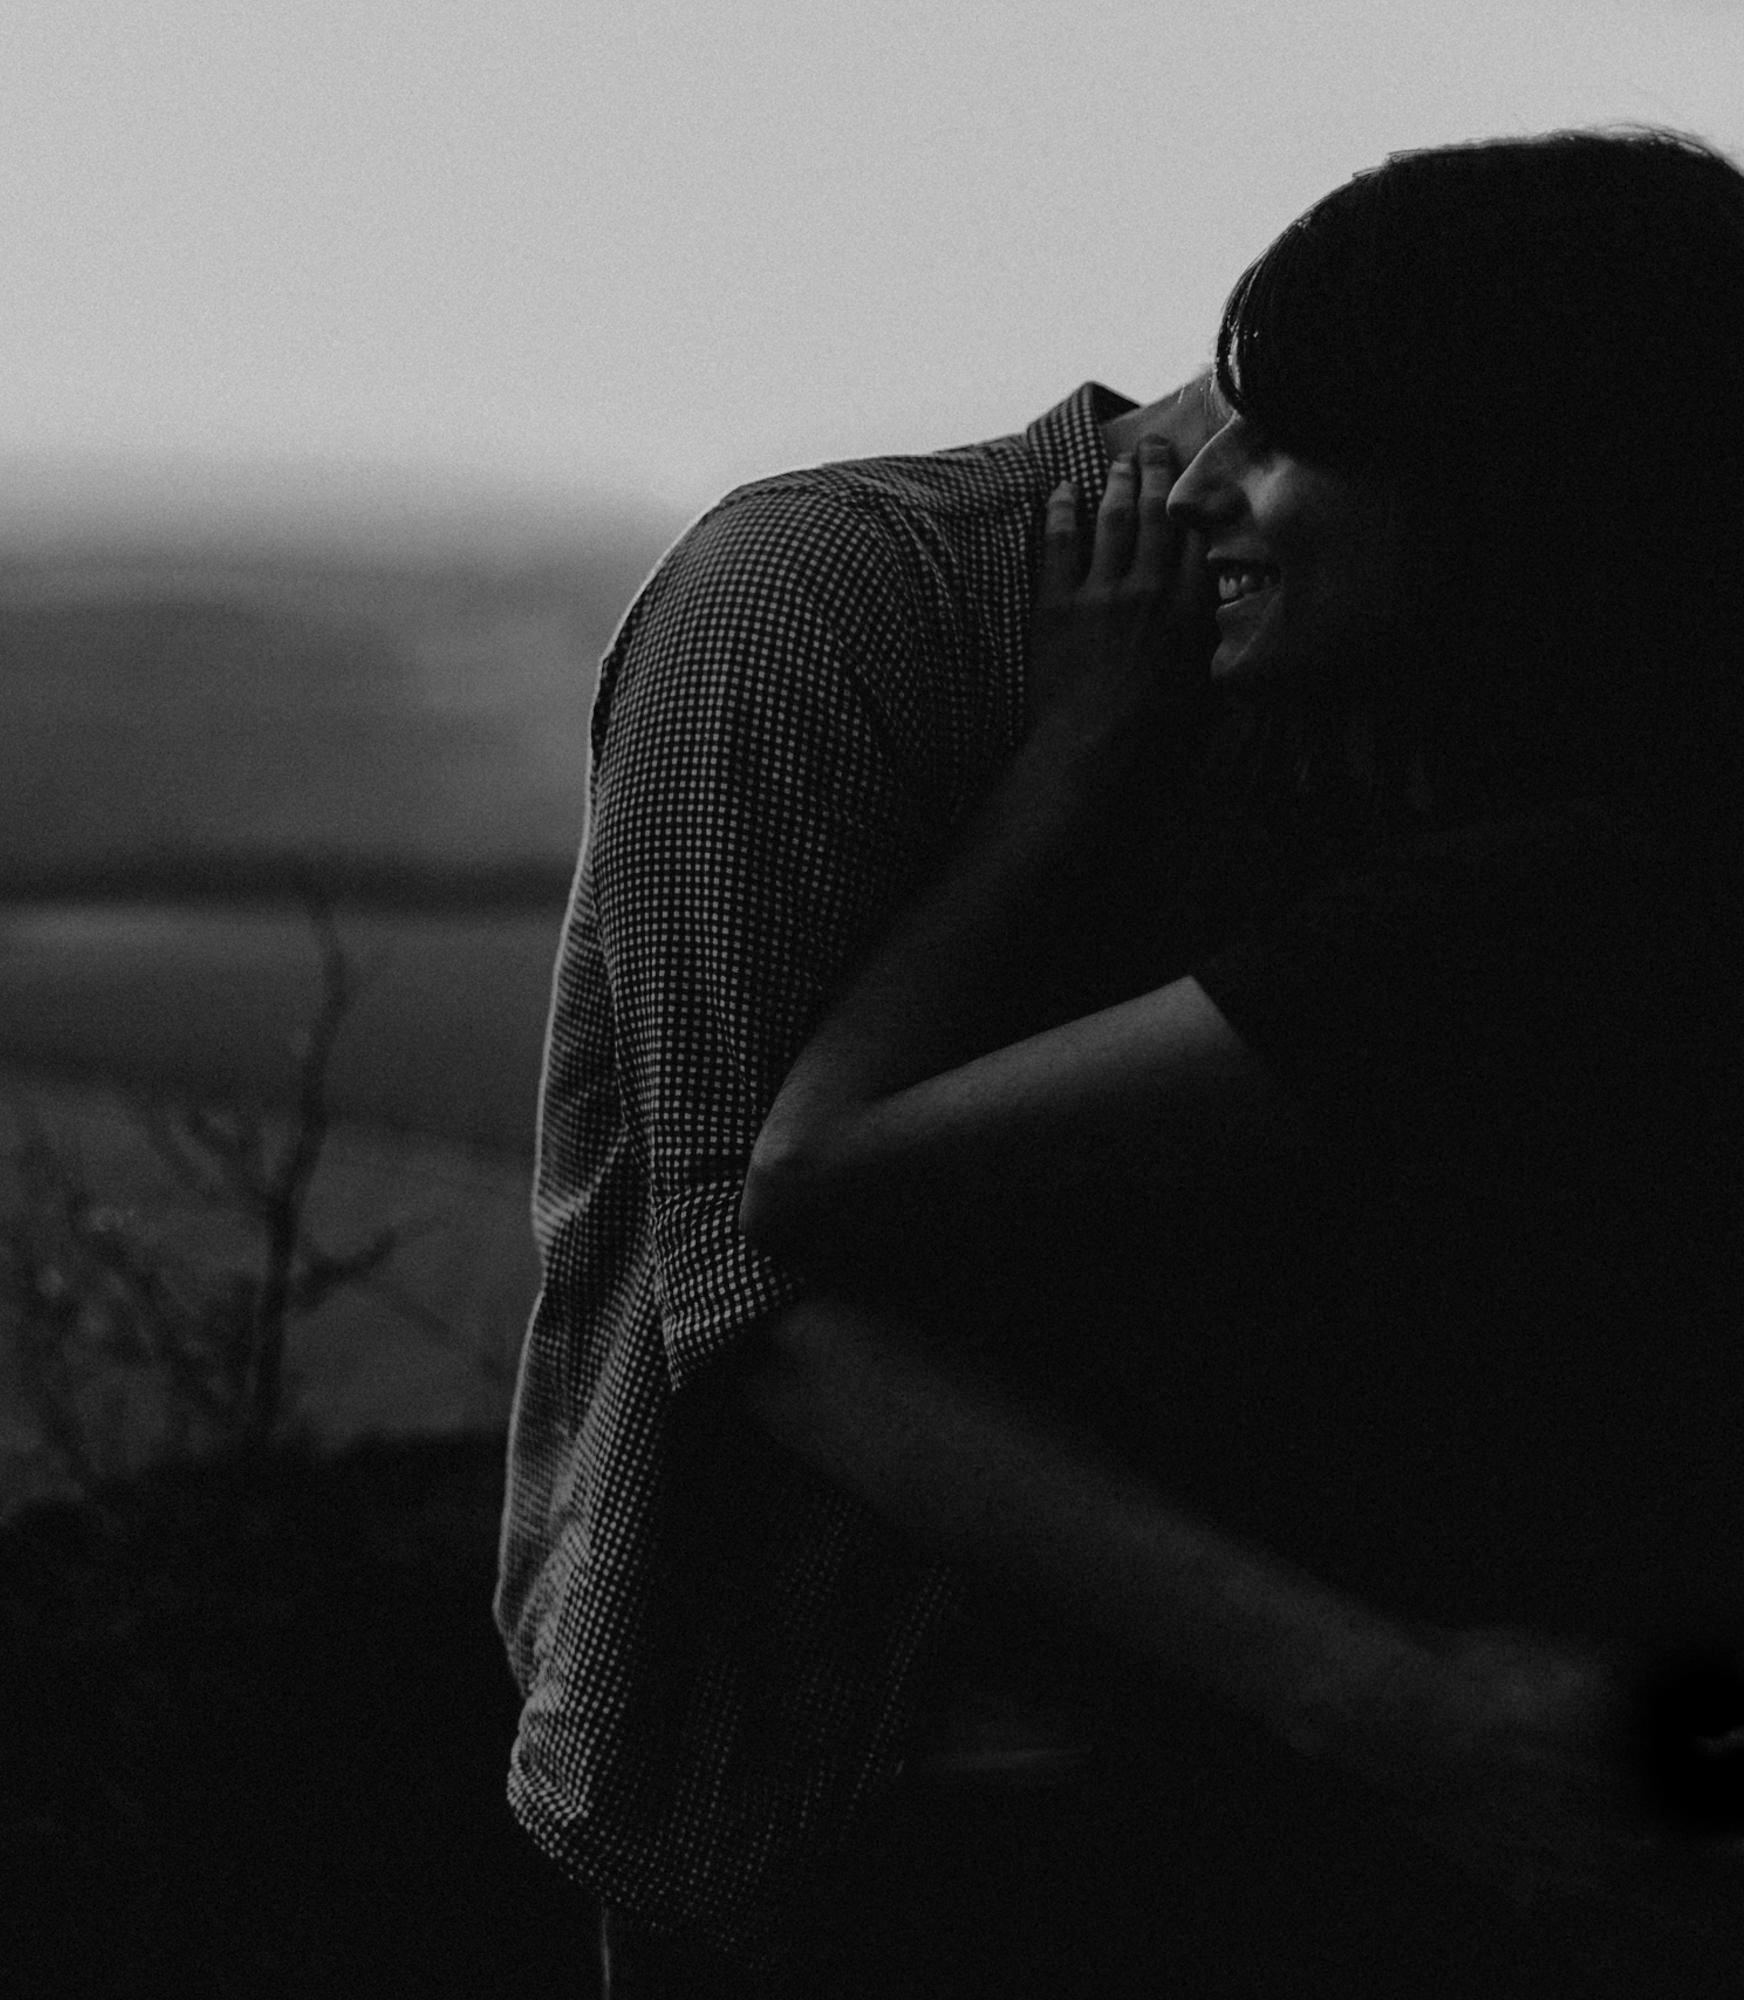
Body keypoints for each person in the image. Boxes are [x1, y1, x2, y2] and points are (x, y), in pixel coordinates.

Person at [736, 127, 1744, 1991]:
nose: (1196, 482)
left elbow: (811, 1187)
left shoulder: (1541, 915)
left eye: (1284, 443)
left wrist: (1076, 756)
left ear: (1512, 500)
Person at [491, 308, 1231, 1987]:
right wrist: (1377, 1693)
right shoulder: (816, 603)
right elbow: (745, 1273)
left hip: (1187, 1763)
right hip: (807, 1760)